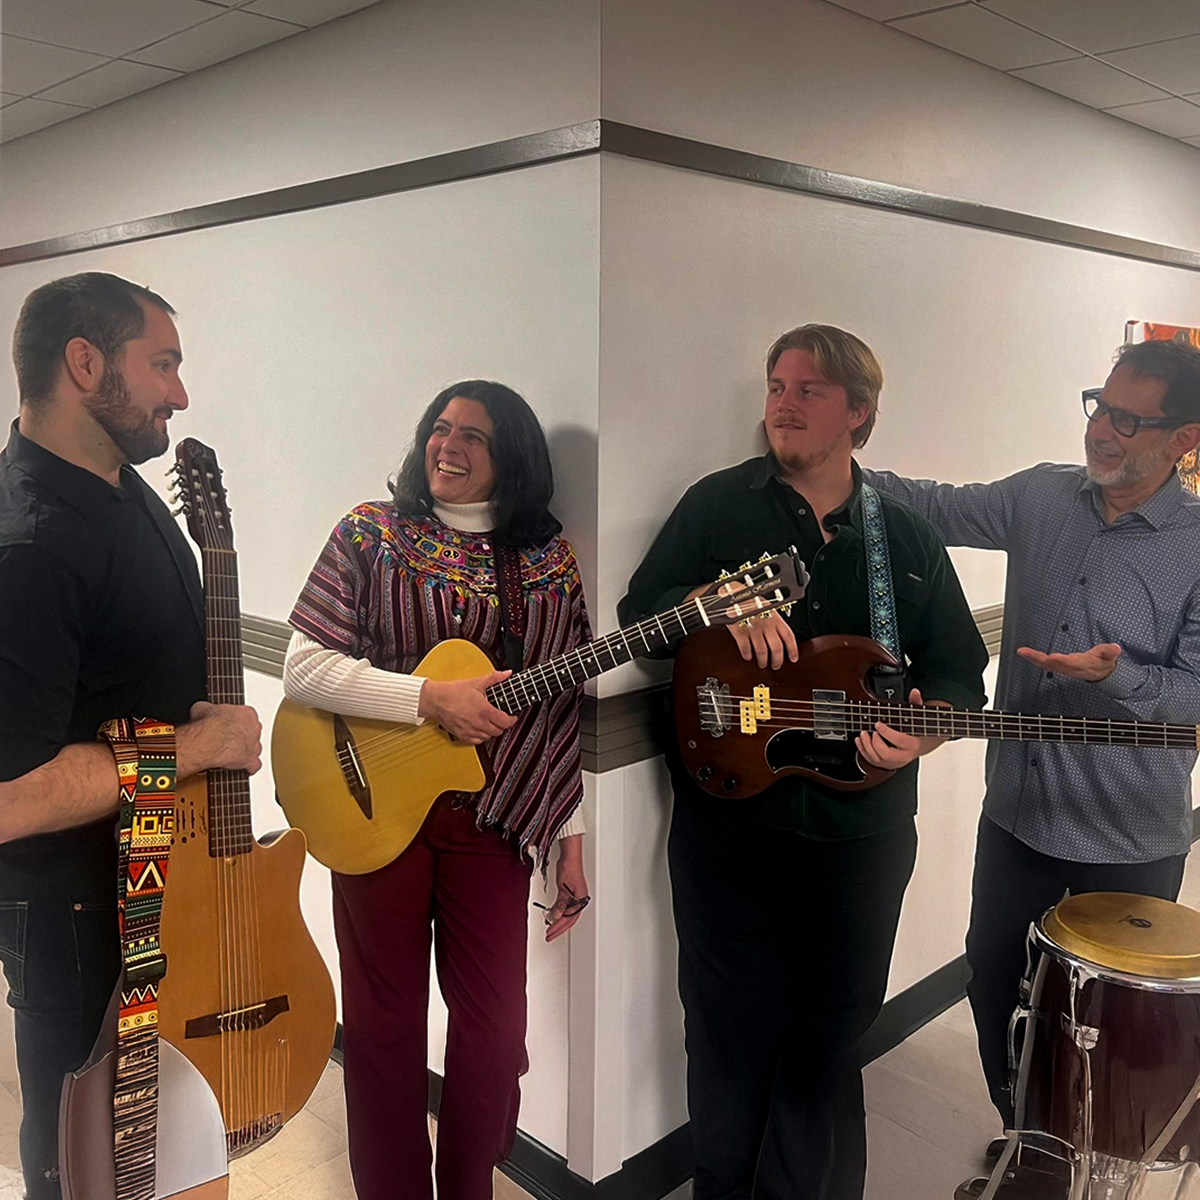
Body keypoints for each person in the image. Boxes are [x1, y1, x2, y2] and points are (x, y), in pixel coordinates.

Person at [619, 325, 988, 1200]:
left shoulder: (904, 535)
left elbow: (959, 679)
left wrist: (925, 734)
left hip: (862, 831)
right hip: (728, 819)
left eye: (809, 389)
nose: (784, 402)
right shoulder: (718, 505)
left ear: (859, 413)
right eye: (777, 385)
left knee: (829, 1031)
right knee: (725, 1027)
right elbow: (643, 617)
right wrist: (710, 608)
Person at [861, 338, 1200, 1169]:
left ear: (1185, 440)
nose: (1102, 432)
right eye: (1099, 405)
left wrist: (1119, 678)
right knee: (994, 993)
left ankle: (1086, 1165)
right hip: (1016, 819)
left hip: (1130, 840)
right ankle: (1034, 1147)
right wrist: (835, 461)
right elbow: (934, 506)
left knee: (1112, 1038)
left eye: (1128, 419)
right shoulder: (1040, 498)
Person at [282, 379, 591, 1200]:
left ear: (513, 459)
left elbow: (557, 712)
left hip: (490, 820)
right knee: (383, 1029)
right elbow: (304, 666)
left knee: (494, 1031)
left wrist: (571, 837)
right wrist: (427, 698)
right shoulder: (370, 534)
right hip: (371, 810)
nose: (447, 447)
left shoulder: (547, 562)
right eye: (440, 429)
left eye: (473, 437)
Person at [0, 272, 262, 1200]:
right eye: (163, 364)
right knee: (81, 1165)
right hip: (73, 918)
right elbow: (8, 798)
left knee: (149, 1152)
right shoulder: (30, 547)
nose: (180, 393)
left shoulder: (119, 483)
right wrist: (198, 749)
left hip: (154, 881)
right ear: (84, 363)